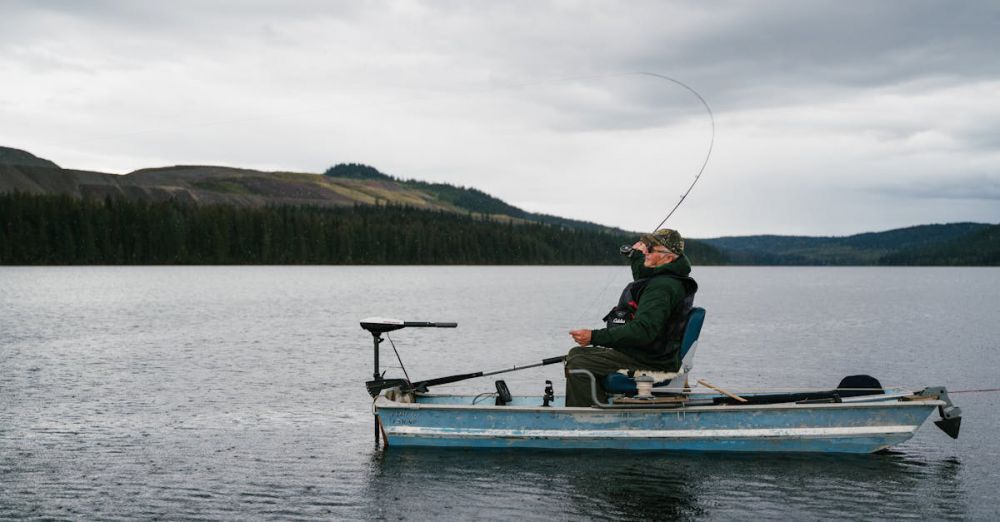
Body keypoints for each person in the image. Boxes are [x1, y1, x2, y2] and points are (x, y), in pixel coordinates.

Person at [564, 228, 698, 407]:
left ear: (668, 257)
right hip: (650, 353)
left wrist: (594, 336)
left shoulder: (662, 287)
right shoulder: (665, 277)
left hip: (651, 360)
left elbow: (642, 331)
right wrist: (636, 256)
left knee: (579, 361)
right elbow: (644, 278)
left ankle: (587, 418)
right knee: (576, 354)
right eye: (646, 247)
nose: (645, 251)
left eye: (651, 249)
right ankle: (599, 404)